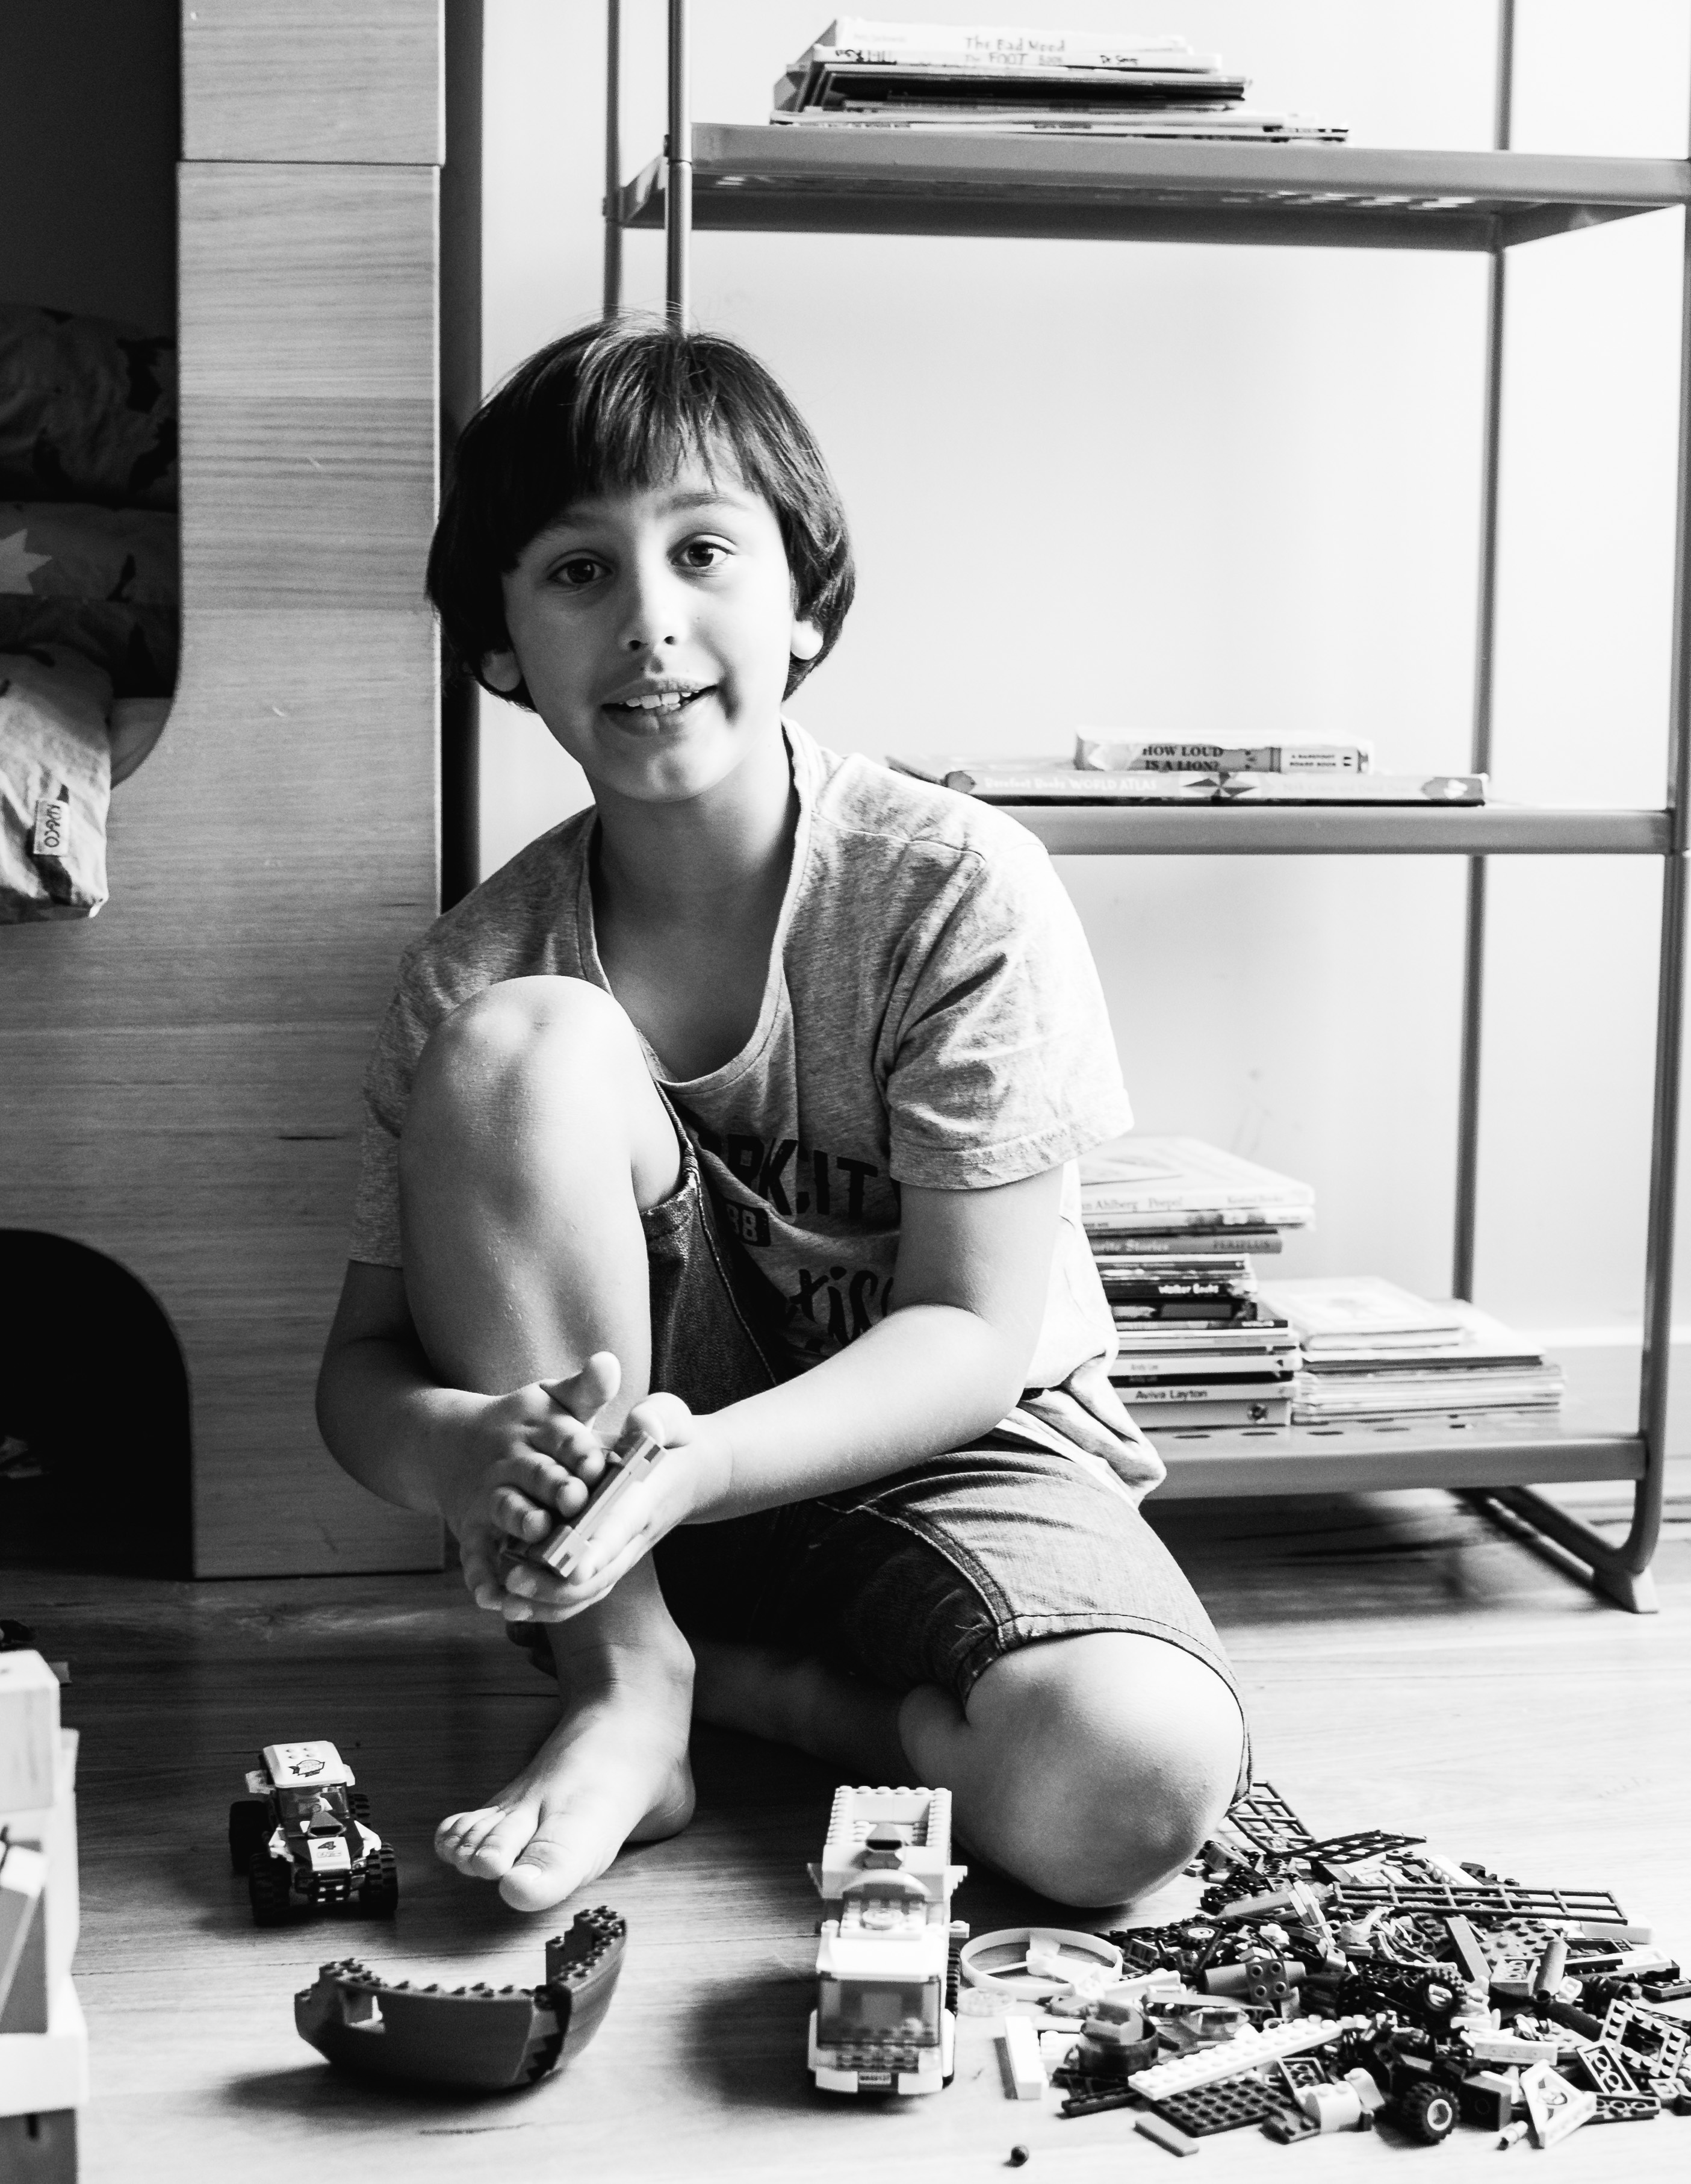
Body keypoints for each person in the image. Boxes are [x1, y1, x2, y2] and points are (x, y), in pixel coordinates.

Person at [316, 317, 1246, 1916]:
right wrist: (464, 1447)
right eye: (577, 573)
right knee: (516, 1044)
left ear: (803, 608)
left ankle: (776, 1700)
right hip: (638, 1533)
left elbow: (968, 1324)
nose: (650, 622)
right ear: (498, 647)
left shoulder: (953, 886)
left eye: (702, 553)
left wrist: (704, 1467)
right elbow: (362, 1373)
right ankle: (634, 1688)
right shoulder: (473, 971)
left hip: (962, 1453)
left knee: (1136, 1776)